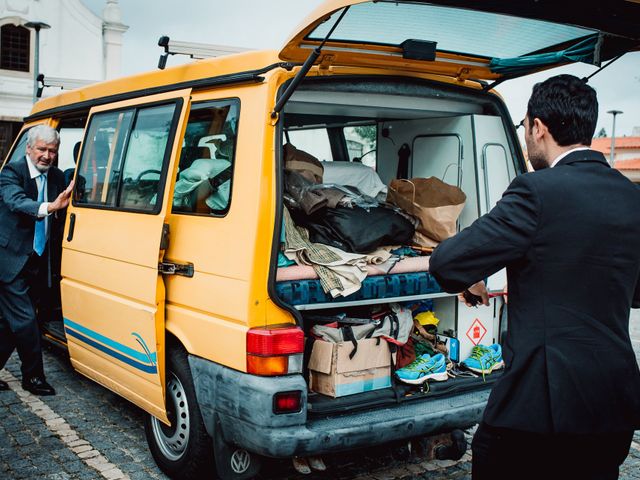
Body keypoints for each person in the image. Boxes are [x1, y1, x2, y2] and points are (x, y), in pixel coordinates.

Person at [429, 74, 640, 480]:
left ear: (538, 128)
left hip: (539, 407)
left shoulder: (535, 191)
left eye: (526, 128)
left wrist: (473, 276)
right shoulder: (632, 197)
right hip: (612, 403)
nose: (526, 139)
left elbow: (448, 263)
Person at [0, 125, 74, 396]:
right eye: (41, 149)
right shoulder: (11, 173)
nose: (46, 155)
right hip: (10, 260)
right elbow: (16, 202)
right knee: (26, 320)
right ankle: (33, 378)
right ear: (29, 148)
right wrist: (49, 207)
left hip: (39, 260)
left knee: (9, 323)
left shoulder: (55, 176)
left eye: (52, 151)